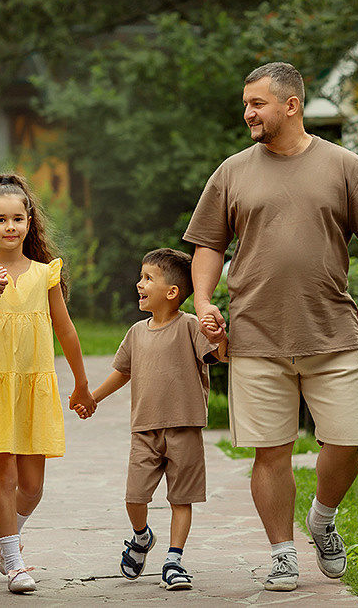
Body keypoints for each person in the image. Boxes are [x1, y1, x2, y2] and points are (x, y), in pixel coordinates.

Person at [185, 61, 358, 593]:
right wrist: (205, 301)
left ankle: (322, 518)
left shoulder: (347, 167)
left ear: (291, 105)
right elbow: (209, 243)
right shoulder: (231, 172)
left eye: (257, 103)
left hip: (331, 329)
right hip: (255, 334)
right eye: (246, 103)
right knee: (270, 450)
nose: (248, 113)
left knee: (347, 444)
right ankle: (282, 553)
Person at [0, 173, 98, 594]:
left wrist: (80, 383)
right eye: (0, 219)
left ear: (28, 221)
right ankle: (15, 558)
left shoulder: (45, 274)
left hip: (34, 387)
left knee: (33, 487)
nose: (9, 227)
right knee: (2, 478)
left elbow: (67, 331)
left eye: (17, 218)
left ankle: (8, 542)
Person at [81, 248, 224, 591]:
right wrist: (93, 397)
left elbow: (219, 353)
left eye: (148, 278)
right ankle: (142, 537)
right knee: (135, 496)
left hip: (185, 427)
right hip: (144, 429)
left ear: (172, 292)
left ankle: (174, 560)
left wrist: (220, 337)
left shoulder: (190, 325)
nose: (138, 283)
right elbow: (122, 372)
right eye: (140, 276)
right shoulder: (136, 332)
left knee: (181, 498)